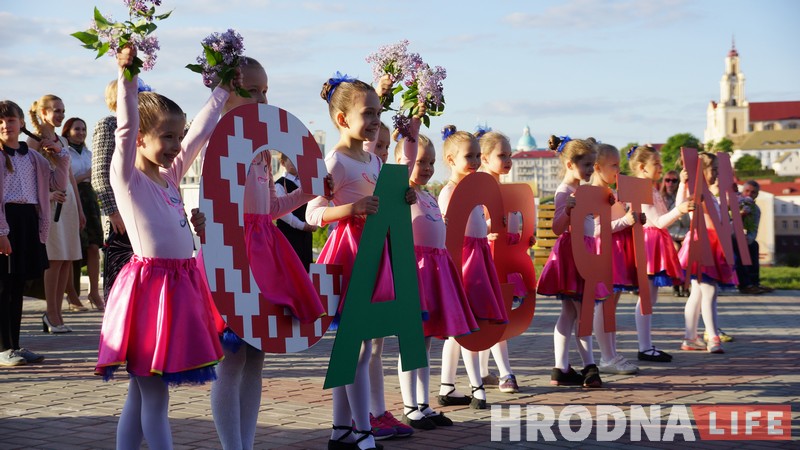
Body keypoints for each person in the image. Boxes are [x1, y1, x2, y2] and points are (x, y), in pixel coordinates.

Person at [94, 46, 230, 449]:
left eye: (177, 136)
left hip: (178, 288)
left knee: (140, 397)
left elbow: (201, 134)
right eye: (166, 136)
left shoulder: (169, 178)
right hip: (150, 293)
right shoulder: (127, 179)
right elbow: (124, 128)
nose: (176, 144)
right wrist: (128, 76)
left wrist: (222, 90)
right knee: (154, 398)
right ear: (139, 139)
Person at [208, 57, 327, 450]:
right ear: (228, 93)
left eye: (265, 91)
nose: (262, 99)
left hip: (267, 254)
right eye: (253, 91)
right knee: (232, 357)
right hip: (236, 254)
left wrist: (308, 191)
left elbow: (271, 208)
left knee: (257, 356)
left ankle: (246, 442)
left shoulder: (262, 152)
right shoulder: (220, 144)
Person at [306, 74, 414, 450]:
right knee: (354, 346)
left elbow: (383, 201)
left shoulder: (373, 160)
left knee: (358, 348)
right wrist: (351, 208)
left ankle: (341, 431)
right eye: (368, 113)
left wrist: (404, 197)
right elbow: (312, 213)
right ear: (342, 119)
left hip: (375, 253)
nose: (374, 120)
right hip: (350, 254)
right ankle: (362, 431)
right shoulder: (334, 161)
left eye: (378, 113)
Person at [437, 125, 507, 408]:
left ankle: (447, 385)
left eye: (478, 156)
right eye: (470, 156)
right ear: (451, 160)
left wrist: (490, 229)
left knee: (463, 327)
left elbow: (475, 225)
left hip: (478, 258)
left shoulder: (473, 192)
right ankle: (476, 386)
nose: (476, 162)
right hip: (464, 263)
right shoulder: (450, 192)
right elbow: (448, 230)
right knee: (467, 326)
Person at [0, 100, 69, 365]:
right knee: (3, 286)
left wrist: (60, 156)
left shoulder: (33, 157)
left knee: (17, 285)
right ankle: (3, 348)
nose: (6, 125)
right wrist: (2, 232)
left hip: (27, 220)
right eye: (1, 122)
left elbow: (57, 183)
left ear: (21, 123)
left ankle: (14, 345)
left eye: (11, 120)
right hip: (6, 221)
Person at [536, 135, 605, 388]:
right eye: (586, 165)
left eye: (592, 165)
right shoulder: (564, 191)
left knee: (569, 313)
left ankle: (561, 367)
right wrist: (567, 209)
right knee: (582, 311)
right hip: (572, 252)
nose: (591, 170)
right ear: (569, 165)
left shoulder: (584, 190)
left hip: (585, 250)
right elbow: (557, 228)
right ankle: (589, 366)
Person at [628, 145, 693, 362]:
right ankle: (644, 347)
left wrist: (682, 185)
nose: (661, 167)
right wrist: (679, 210)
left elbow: (667, 214)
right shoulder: (640, 188)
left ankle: (646, 345)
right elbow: (658, 221)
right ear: (642, 167)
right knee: (647, 297)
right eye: (656, 163)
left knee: (650, 297)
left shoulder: (650, 188)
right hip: (648, 244)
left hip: (654, 242)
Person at [27, 95, 84, 333]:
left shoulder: (62, 140)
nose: (61, 115)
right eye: (56, 110)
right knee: (54, 259)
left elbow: (69, 175)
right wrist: (47, 196)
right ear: (43, 112)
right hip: (49, 204)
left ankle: (57, 314)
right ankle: (51, 313)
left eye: (63, 110)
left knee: (67, 258)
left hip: (68, 202)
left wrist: (79, 207)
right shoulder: (33, 140)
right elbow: (28, 175)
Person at [477, 130, 524, 393]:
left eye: (510, 155)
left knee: (494, 314)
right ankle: (506, 372)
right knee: (496, 316)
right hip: (487, 259)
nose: (508, 160)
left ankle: (484, 372)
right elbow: (471, 225)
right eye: (502, 155)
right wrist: (487, 231)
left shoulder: (503, 189)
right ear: (484, 158)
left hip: (505, 257)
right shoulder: (480, 189)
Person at [590, 143, 641, 375]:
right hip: (603, 253)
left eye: (619, 165)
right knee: (604, 305)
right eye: (614, 165)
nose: (618, 170)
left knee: (611, 306)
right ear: (597, 167)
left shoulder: (611, 193)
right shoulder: (592, 194)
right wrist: (624, 222)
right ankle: (606, 356)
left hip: (617, 252)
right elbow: (594, 230)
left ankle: (611, 353)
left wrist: (634, 220)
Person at [677, 152, 736, 354]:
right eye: (714, 170)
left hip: (712, 244)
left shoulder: (710, 195)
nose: (717, 174)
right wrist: (682, 183)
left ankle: (690, 337)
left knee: (698, 293)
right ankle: (713, 336)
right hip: (701, 244)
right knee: (709, 291)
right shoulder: (696, 191)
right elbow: (681, 205)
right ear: (701, 171)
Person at [62, 117, 105, 311]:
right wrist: (86, 175)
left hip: (90, 199)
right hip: (72, 198)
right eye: (77, 129)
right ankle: (72, 294)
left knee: (94, 246)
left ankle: (94, 292)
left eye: (83, 129)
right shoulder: (64, 152)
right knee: (73, 249)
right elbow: (66, 179)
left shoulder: (89, 154)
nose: (81, 133)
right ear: (68, 131)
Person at [91, 79, 127, 308]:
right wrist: (113, 212)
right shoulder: (109, 125)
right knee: (119, 277)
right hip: (120, 216)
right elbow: (99, 174)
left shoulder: (147, 127)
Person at [275, 153, 318, 271]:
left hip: (306, 235)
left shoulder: (307, 183)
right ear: (283, 163)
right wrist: (302, 225)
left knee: (305, 268)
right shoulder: (279, 184)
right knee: (289, 268)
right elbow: (282, 212)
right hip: (288, 234)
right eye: (291, 159)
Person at [736, 180, 771, 295]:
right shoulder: (734, 201)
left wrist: (749, 239)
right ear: (742, 190)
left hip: (743, 237)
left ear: (757, 194)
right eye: (747, 191)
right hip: (730, 235)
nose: (749, 194)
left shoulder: (756, 210)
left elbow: (754, 229)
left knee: (754, 245)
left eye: (753, 192)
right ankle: (745, 285)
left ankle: (754, 283)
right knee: (738, 247)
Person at [662, 170, 690, 297]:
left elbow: (687, 222)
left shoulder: (683, 196)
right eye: (667, 180)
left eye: (674, 180)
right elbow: (662, 221)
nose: (670, 183)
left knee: (688, 249)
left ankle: (685, 284)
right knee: (676, 248)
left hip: (683, 232)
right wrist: (675, 213)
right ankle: (676, 284)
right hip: (669, 234)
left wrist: (681, 212)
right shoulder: (661, 198)